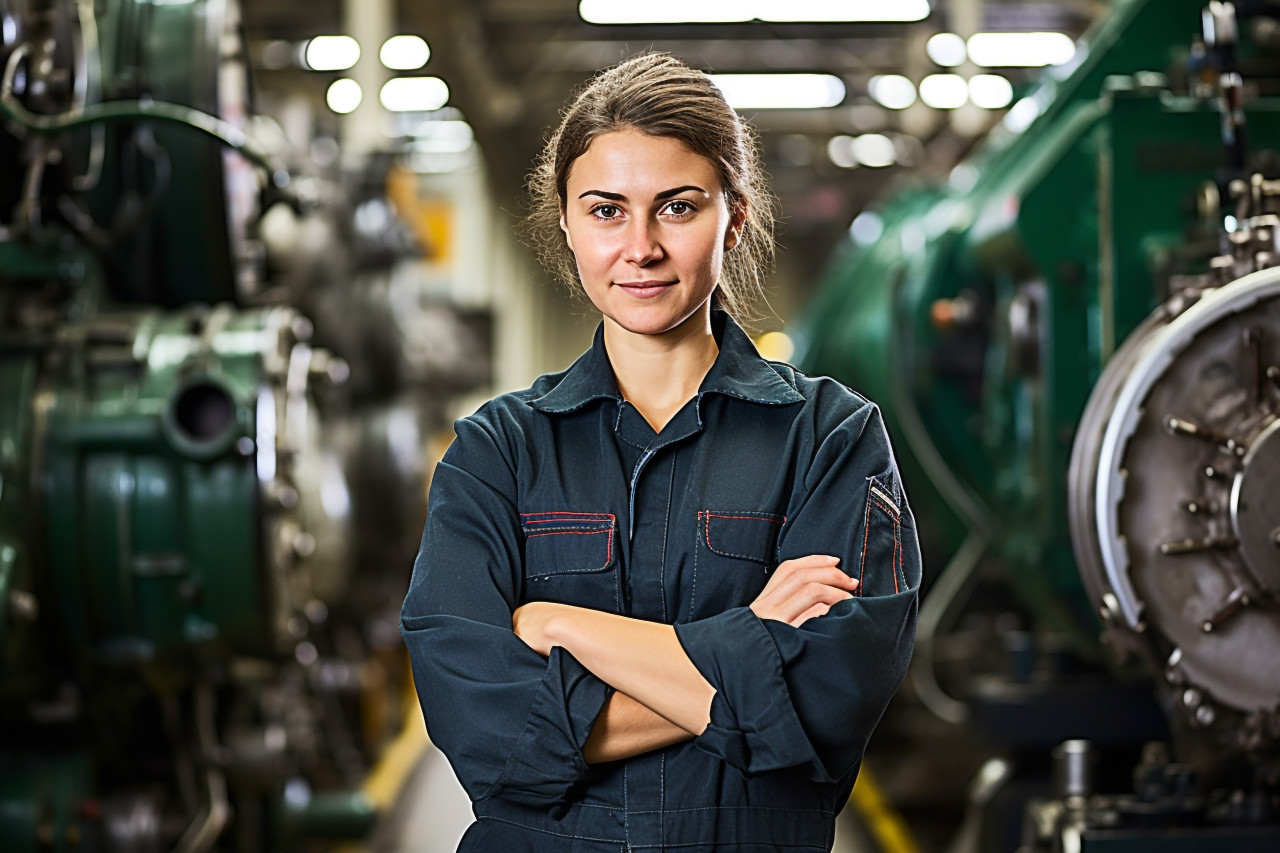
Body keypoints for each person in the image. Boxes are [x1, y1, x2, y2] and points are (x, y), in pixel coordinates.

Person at [400, 52, 921, 853]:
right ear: (567, 221)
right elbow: (487, 735)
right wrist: (752, 639)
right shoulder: (496, 451)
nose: (639, 246)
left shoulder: (830, 437)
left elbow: (825, 702)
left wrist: (559, 623)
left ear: (734, 217)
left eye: (677, 207)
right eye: (606, 210)